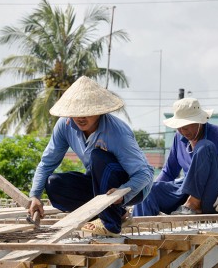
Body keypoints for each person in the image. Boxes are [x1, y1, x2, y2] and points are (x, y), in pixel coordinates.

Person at [28, 76, 154, 236]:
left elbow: (145, 175)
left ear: (99, 111)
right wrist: (35, 196)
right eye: (76, 112)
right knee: (54, 184)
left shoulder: (117, 132)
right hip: (100, 187)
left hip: (132, 188)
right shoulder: (64, 126)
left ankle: (111, 225)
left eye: (87, 112)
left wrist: (122, 194)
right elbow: (47, 163)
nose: (81, 117)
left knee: (98, 156)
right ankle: (117, 214)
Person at [133, 97, 218, 216]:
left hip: (212, 197)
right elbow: (169, 172)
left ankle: (192, 204)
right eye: (179, 128)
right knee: (147, 191)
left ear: (199, 121)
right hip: (185, 190)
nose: (182, 131)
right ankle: (139, 229)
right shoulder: (179, 137)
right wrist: (149, 195)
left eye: (186, 127)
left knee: (205, 147)